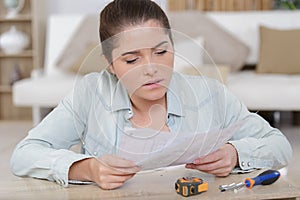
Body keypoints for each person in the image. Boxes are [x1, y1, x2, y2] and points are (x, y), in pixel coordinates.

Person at [11, 0, 292, 190]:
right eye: (132, 60)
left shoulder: (210, 93)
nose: (152, 69)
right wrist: (87, 169)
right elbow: (24, 154)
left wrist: (235, 153)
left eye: (161, 52)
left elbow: (279, 146)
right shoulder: (90, 94)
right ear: (110, 64)